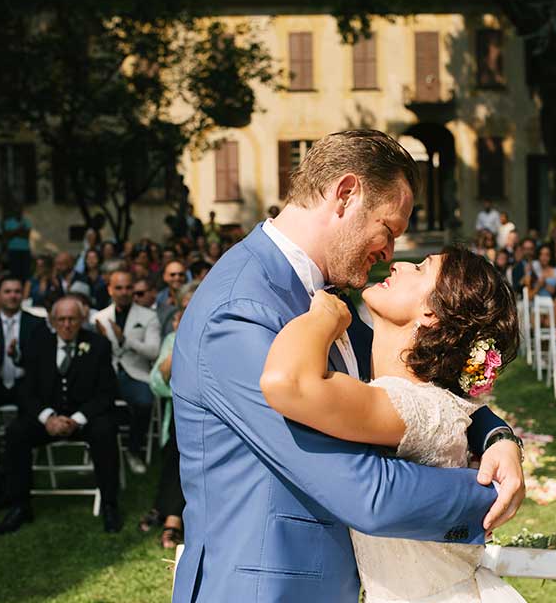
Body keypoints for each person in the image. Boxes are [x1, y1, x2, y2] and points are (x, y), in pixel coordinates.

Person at [171, 129, 524, 603]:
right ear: (345, 195)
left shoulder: (330, 302)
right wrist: (489, 495)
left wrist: (496, 435)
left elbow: (417, 393)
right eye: (389, 229)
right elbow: (363, 489)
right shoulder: (242, 308)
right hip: (265, 588)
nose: (391, 253)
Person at [260, 247, 526, 603]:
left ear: (432, 313)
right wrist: (502, 438)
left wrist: (323, 316)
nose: (398, 263)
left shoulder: (416, 406)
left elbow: (286, 382)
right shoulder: (423, 399)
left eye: (419, 268)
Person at [0, 296, 121, 535]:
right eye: (61, 319)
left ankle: (110, 504)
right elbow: (26, 391)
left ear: (82, 319)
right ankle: (19, 505)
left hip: (85, 419)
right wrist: (47, 417)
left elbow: (106, 393)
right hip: (48, 419)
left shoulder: (99, 345)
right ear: (52, 321)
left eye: (72, 319)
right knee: (16, 432)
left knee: (106, 430)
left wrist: (78, 419)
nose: (67, 324)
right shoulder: (38, 345)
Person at [92, 270, 160, 474]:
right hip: (105, 375)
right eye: (118, 288)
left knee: (144, 403)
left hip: (135, 374)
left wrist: (125, 340)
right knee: (92, 404)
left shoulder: (149, 316)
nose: (123, 292)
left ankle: (133, 449)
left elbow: (153, 351)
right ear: (110, 290)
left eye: (128, 287)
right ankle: (97, 451)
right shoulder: (99, 317)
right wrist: (101, 341)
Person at [139, 308, 186, 549]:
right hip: (177, 418)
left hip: (210, 420)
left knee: (181, 443)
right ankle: (171, 514)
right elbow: (156, 385)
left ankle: (167, 513)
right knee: (178, 443)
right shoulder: (171, 340)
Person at [0, 276, 46, 408]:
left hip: (28, 387)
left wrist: (17, 356)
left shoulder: (37, 324)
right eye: (7, 292)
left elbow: (41, 362)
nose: (12, 296)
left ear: (23, 294)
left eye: (17, 291)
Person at [2, 204, 33, 281]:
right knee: (15, 272)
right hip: (13, 249)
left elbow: (26, 235)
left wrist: (14, 233)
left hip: (25, 249)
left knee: (25, 272)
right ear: (13, 212)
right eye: (16, 211)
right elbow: (7, 236)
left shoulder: (27, 221)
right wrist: (20, 229)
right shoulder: (8, 222)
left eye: (19, 211)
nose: (18, 212)